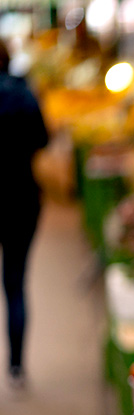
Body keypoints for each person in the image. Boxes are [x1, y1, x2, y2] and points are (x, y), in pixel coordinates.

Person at [0, 41, 49, 389]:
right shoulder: (23, 92)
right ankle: (16, 367)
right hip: (21, 196)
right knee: (15, 283)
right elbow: (43, 139)